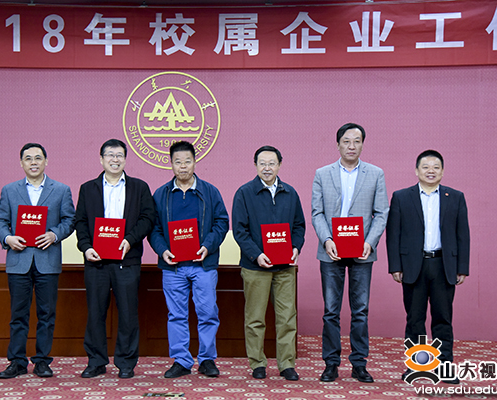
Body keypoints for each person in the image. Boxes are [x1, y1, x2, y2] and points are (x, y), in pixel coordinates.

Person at [311, 123, 389, 383]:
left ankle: (359, 363)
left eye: (357, 141)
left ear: (363, 144)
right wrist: (327, 240)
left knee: (361, 310)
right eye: (346, 141)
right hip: (331, 251)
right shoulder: (322, 173)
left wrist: (370, 242)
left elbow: (381, 213)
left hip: (362, 251)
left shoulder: (375, 173)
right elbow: (317, 213)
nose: (351, 146)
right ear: (338, 145)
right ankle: (331, 364)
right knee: (331, 311)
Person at [386, 150, 470, 384]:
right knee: (415, 320)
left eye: (436, 167)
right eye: (425, 167)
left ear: (442, 171)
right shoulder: (402, 197)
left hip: (444, 265)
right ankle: (417, 366)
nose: (430, 171)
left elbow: (463, 235)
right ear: (416, 171)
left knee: (443, 319)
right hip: (414, 266)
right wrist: (395, 266)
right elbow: (393, 234)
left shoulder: (455, 197)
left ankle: (445, 367)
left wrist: (462, 267)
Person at [75, 139, 156, 379]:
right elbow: (80, 222)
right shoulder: (88, 188)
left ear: (125, 159)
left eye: (119, 155)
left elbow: (147, 219)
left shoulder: (139, 187)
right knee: (95, 313)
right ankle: (96, 361)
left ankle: (126, 362)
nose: (115, 159)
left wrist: (130, 239)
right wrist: (85, 247)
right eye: (110, 155)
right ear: (101, 159)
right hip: (96, 261)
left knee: (128, 314)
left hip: (127, 261)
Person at [0, 143, 75, 379]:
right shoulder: (9, 190)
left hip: (47, 260)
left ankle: (42, 361)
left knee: (46, 315)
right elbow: (0, 221)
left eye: (38, 158)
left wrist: (54, 234)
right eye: (28, 158)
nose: (33, 162)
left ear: (46, 161)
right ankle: (17, 361)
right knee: (18, 315)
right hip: (18, 260)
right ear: (21, 163)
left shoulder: (61, 190)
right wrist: (8, 238)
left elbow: (70, 220)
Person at [149, 141, 229, 379]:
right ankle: (181, 360)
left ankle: (207, 359)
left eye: (187, 161)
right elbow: (153, 228)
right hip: (173, 267)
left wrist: (208, 246)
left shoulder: (210, 191)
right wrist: (163, 250)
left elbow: (222, 222)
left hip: (203, 264)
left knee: (208, 313)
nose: (183, 166)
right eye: (178, 162)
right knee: (176, 315)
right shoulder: (161, 194)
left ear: (195, 162)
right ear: (171, 164)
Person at [232, 145, 306, 381]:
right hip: (256, 267)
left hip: (284, 268)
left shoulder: (290, 193)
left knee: (287, 317)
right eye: (262, 163)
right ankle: (257, 363)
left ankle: (287, 364)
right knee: (255, 318)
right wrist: (256, 255)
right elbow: (240, 231)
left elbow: (299, 226)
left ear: (279, 165)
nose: (267, 168)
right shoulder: (244, 193)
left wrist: (296, 247)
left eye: (271, 163)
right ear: (255, 165)